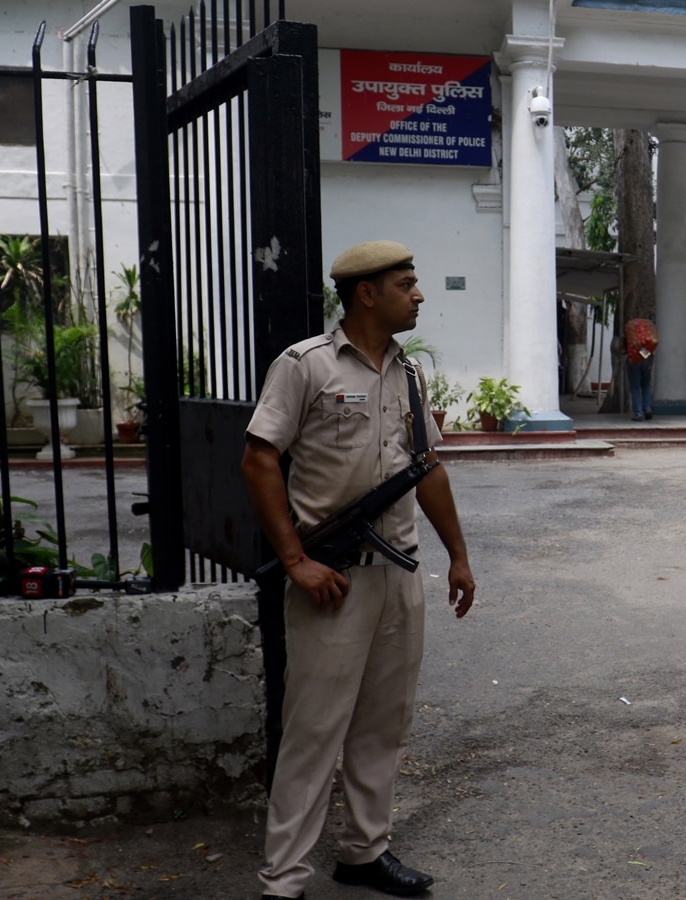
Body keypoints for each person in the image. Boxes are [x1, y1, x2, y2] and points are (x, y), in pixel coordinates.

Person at [241, 240, 475, 900]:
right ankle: (284, 879)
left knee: (382, 723)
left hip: (397, 572)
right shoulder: (305, 366)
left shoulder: (408, 374)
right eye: (408, 283)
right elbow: (258, 461)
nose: (420, 294)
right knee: (314, 730)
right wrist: (295, 561)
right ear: (366, 293)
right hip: (332, 579)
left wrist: (457, 555)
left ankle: (363, 853)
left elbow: (424, 469)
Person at [624, 316, 657, 421]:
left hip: (635, 357)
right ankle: (647, 408)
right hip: (647, 355)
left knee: (635, 387)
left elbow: (625, 346)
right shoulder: (649, 328)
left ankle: (638, 413)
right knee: (646, 384)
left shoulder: (630, 329)